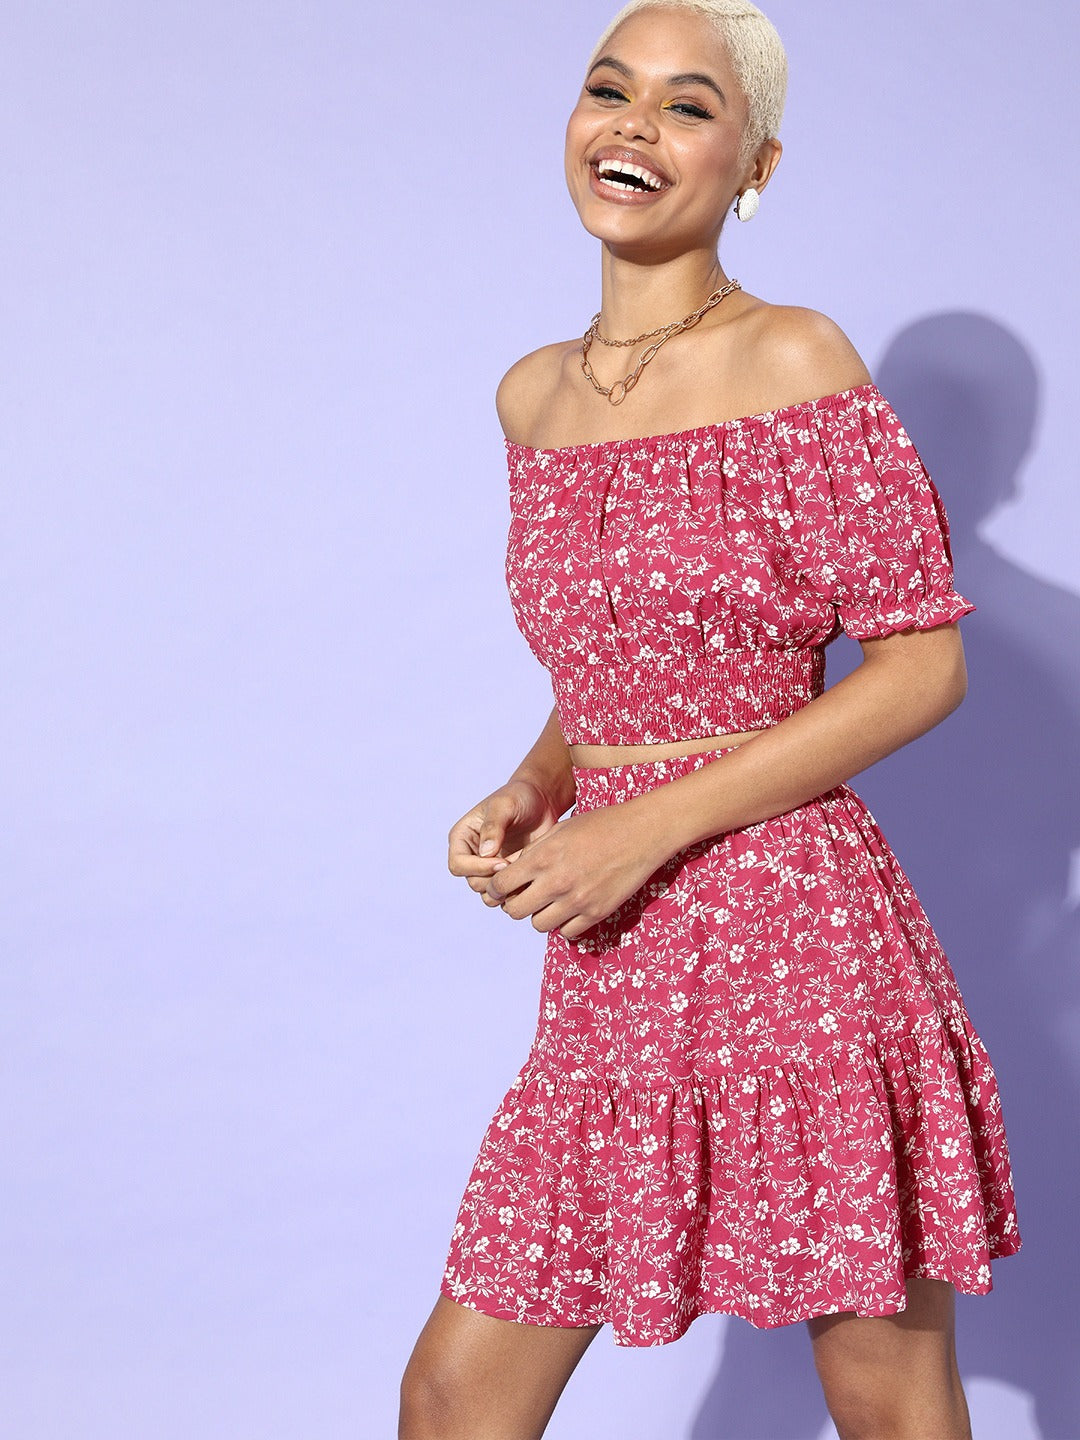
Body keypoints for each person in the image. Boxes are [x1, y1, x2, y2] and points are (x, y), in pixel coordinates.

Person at [398, 2, 1023, 1436]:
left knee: (884, 1392)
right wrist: (538, 786)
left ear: (757, 164)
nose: (635, 125)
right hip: (614, 956)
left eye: (689, 105)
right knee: (455, 1393)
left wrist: (640, 830)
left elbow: (922, 665)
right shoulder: (533, 398)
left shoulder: (796, 358)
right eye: (609, 89)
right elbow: (623, 659)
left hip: (791, 932)